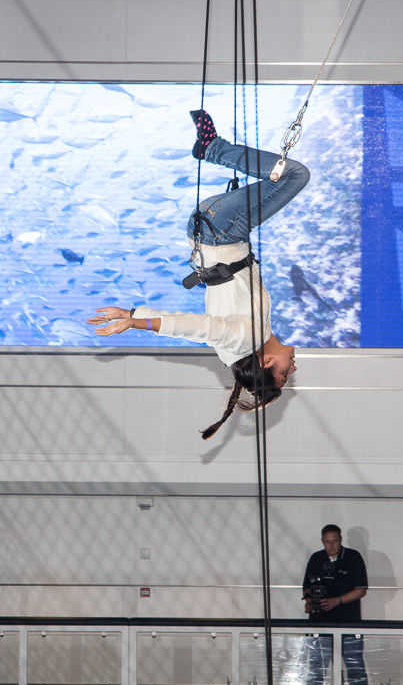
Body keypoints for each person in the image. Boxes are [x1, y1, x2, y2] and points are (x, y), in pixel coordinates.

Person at [87, 110, 309, 439]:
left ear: (265, 364)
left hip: (219, 231)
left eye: (284, 375)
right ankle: (212, 148)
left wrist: (137, 319)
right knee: (291, 177)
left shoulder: (241, 341)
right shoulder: (255, 339)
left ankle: (212, 148)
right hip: (225, 232)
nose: (293, 368)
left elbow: (194, 326)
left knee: (295, 176)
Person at [301, 523, 368, 685]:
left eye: (335, 542)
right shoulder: (316, 559)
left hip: (348, 622)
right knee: (316, 666)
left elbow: (361, 590)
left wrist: (337, 601)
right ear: (322, 541)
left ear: (341, 540)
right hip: (320, 623)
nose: (331, 546)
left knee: (355, 666)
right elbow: (307, 589)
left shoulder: (353, 558)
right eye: (327, 542)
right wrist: (310, 602)